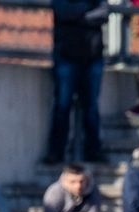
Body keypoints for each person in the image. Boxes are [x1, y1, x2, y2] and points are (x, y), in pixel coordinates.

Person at [45, 0, 106, 164]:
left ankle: (93, 151)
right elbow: (62, 11)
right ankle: (56, 152)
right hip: (66, 56)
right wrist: (86, 10)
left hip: (93, 57)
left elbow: (102, 14)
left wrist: (76, 14)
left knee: (91, 107)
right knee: (62, 106)